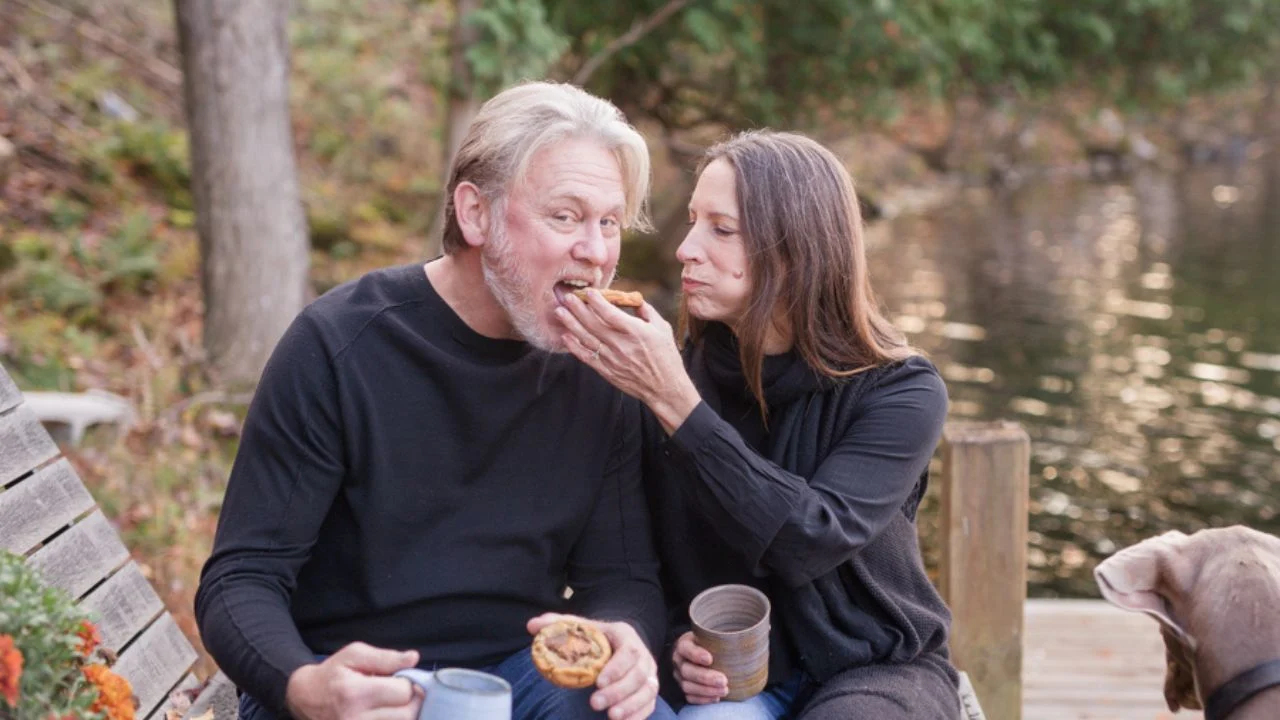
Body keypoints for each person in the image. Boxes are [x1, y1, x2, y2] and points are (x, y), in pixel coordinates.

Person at [194, 81, 678, 720]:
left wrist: (625, 639)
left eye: (609, 222)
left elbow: (620, 577)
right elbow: (241, 579)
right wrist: (305, 684)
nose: (595, 251)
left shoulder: (602, 368)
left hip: (518, 683)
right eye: (565, 216)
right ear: (475, 213)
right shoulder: (341, 344)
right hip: (353, 684)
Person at [558, 130, 960, 719]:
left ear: (796, 251)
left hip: (874, 667)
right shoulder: (666, 374)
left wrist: (677, 404)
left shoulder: (901, 392)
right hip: (736, 676)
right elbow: (640, 562)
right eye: (694, 221)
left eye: (721, 229)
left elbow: (809, 536)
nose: (685, 248)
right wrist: (676, 645)